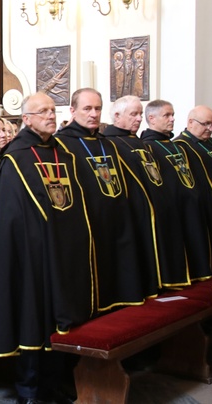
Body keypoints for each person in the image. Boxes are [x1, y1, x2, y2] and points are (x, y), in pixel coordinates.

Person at [0, 92, 93, 404]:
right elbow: (14, 214)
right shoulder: (16, 156)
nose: (50, 116)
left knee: (59, 319)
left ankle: (55, 382)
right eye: (42, 111)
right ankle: (29, 390)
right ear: (25, 119)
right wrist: (39, 242)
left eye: (52, 111)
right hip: (32, 255)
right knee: (32, 316)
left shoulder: (62, 152)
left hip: (64, 251)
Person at [56, 89, 149, 308]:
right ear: (72, 111)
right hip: (87, 223)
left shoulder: (107, 143)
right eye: (87, 108)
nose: (93, 114)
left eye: (97, 108)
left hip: (115, 220)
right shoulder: (61, 145)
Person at [140, 99, 212, 282]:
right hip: (174, 206)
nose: (172, 119)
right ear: (151, 118)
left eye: (173, 114)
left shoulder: (172, 144)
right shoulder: (149, 146)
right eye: (167, 115)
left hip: (192, 204)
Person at [103, 96, 163, 291]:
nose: (139, 118)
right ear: (117, 116)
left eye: (140, 114)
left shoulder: (139, 142)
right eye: (133, 114)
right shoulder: (110, 143)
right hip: (132, 210)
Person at [174, 105, 212, 270]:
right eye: (205, 124)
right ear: (191, 122)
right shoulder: (180, 146)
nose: (210, 129)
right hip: (204, 204)